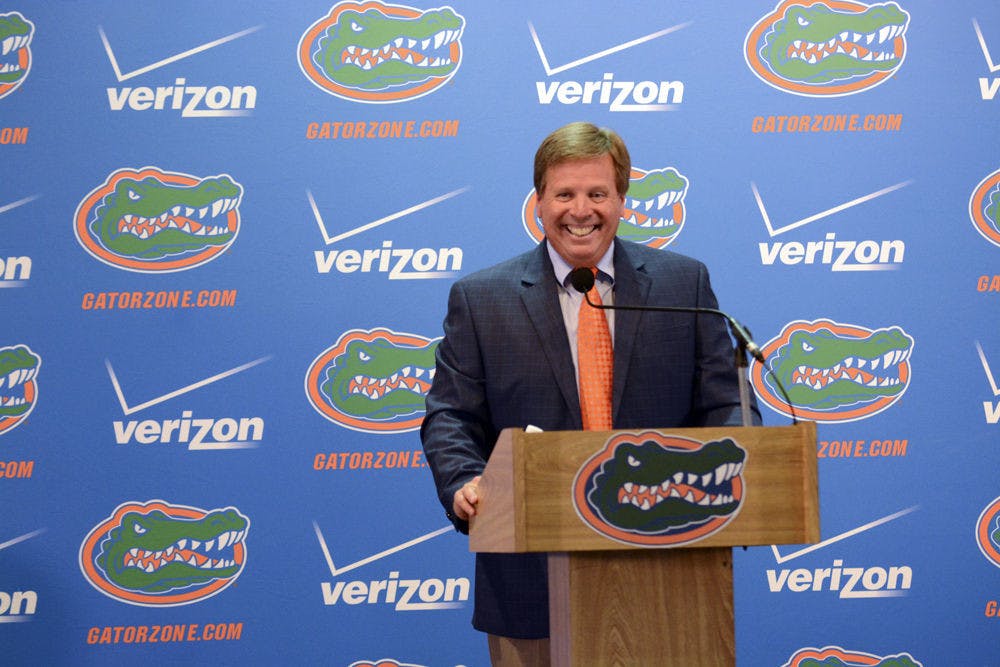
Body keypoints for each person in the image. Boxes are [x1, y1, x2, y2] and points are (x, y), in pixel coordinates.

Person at [420, 121, 759, 665]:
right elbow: (451, 417)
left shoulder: (684, 285)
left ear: (622, 200)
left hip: (672, 573)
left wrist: (739, 467)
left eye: (598, 193)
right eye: (565, 194)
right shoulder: (482, 299)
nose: (582, 210)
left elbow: (725, 404)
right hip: (531, 580)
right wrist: (464, 480)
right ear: (538, 202)